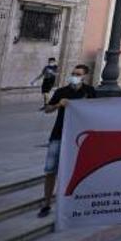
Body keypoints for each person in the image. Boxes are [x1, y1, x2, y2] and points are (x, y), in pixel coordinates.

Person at [38, 64, 95, 217]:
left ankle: (74, 202)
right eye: (73, 73)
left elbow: (98, 110)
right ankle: (46, 203)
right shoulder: (62, 92)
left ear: (85, 76)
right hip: (58, 134)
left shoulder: (89, 92)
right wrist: (58, 104)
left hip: (78, 138)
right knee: (50, 170)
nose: (74, 76)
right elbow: (48, 109)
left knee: (76, 171)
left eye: (78, 74)